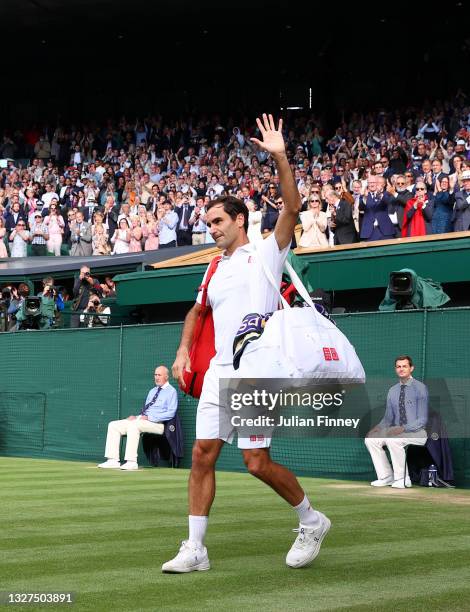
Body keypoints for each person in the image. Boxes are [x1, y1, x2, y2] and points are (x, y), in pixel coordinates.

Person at [163, 114, 331, 574]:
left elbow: (293, 210)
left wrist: (279, 156)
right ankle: (196, 548)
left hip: (258, 370)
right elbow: (197, 312)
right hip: (220, 370)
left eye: (218, 221)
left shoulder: (266, 252)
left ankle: (311, 519)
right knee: (202, 454)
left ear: (240, 219)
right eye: (208, 222)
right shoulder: (213, 267)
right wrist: (182, 352)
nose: (211, 228)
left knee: (256, 462)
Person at [365, 355, 428, 489]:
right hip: (398, 432)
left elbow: (423, 419)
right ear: (396, 369)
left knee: (393, 440)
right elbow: (388, 418)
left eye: (404, 366)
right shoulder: (392, 391)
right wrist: (377, 428)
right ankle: (386, 477)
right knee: (370, 439)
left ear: (411, 368)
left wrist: (403, 428)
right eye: (398, 367)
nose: (401, 369)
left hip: (418, 433)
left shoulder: (420, 388)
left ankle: (403, 479)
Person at [98, 365, 178, 471]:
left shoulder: (171, 391)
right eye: (155, 374)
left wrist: (150, 417)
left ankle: (131, 462)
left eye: (159, 375)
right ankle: (112, 460)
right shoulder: (152, 391)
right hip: (144, 421)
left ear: (166, 377)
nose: (156, 377)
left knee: (133, 425)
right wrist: (137, 417)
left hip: (160, 425)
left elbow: (171, 413)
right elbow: (146, 410)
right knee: (113, 425)